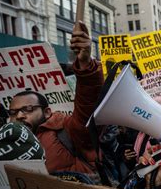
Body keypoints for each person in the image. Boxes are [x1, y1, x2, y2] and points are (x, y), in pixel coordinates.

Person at [7, 21, 103, 174]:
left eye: (28, 109)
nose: (19, 116)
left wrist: (86, 66)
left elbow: (88, 109)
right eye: (12, 112)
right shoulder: (4, 143)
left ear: (46, 112)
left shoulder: (65, 129)